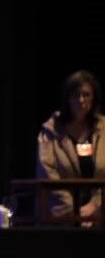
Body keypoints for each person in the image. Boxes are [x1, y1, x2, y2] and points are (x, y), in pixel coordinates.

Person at [37, 70, 105, 224]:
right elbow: (47, 175)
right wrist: (76, 213)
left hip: (99, 218)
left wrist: (94, 206)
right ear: (67, 99)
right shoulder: (50, 131)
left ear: (94, 98)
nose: (81, 100)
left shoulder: (104, 128)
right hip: (60, 220)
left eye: (86, 94)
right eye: (75, 95)